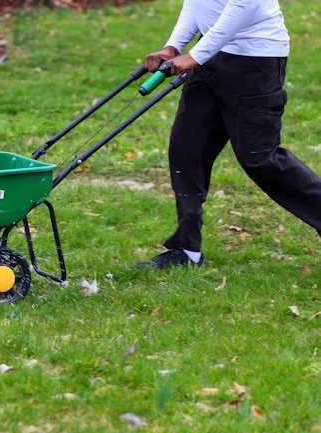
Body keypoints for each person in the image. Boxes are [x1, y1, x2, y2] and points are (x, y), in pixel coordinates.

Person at [135, 0, 321, 269]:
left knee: (259, 157)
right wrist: (173, 46)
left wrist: (196, 55)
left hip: (255, 59)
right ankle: (187, 250)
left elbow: (244, 4)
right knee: (187, 149)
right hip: (209, 55)